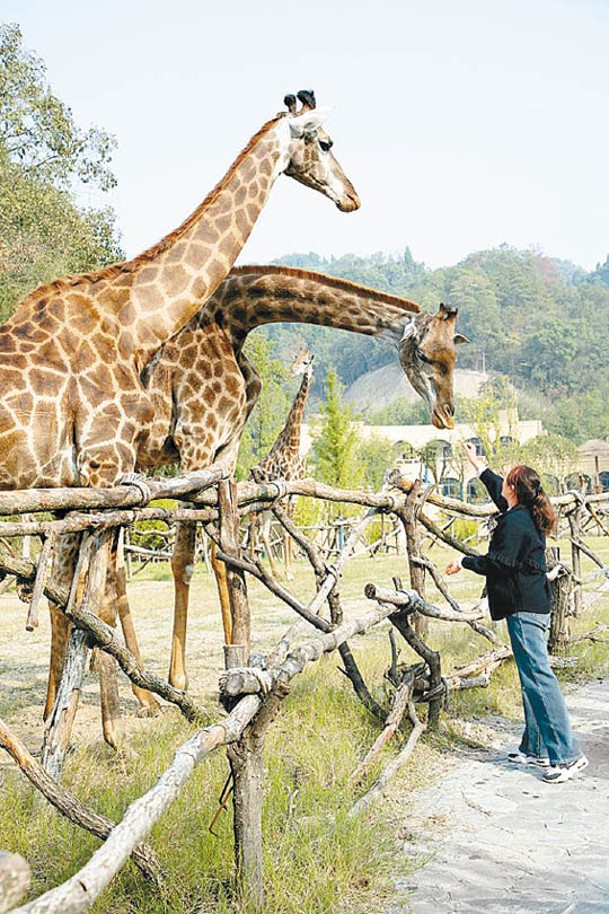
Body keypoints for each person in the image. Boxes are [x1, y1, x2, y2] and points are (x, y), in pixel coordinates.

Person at [445, 441, 588, 784]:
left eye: (505, 479)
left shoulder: (515, 524)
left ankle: (567, 754)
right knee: (531, 677)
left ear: (514, 489)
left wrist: (463, 561)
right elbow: (498, 491)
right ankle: (536, 747)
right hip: (531, 604)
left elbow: (499, 563)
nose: (502, 484)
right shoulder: (522, 512)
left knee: (539, 678)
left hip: (524, 609)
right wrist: (478, 466)